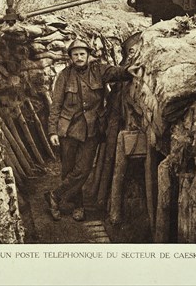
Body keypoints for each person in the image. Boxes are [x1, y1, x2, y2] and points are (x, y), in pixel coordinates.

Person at [45, 38, 136, 222]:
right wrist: (52, 131)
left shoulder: (98, 70)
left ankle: (54, 196)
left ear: (88, 55)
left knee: (84, 169)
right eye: (75, 55)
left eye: (82, 54)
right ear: (70, 57)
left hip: (92, 128)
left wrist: (128, 71)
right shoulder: (64, 76)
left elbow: (114, 72)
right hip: (68, 129)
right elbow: (55, 105)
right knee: (69, 169)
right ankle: (77, 206)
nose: (79, 57)